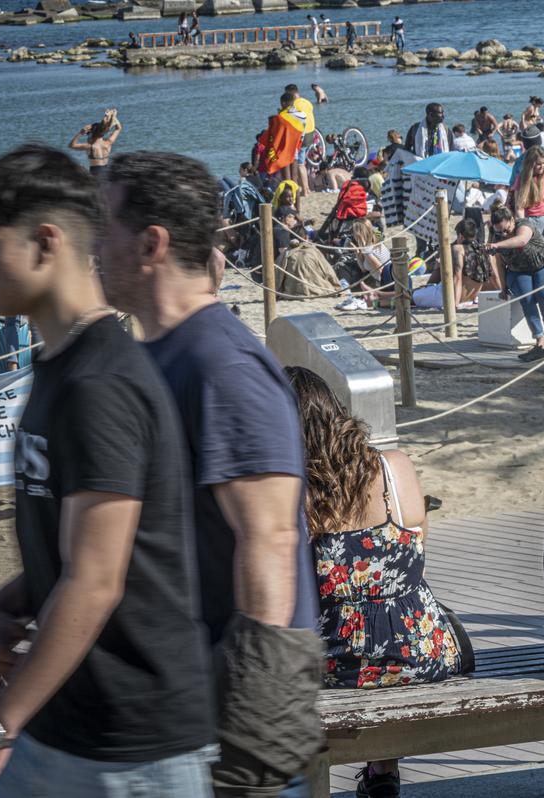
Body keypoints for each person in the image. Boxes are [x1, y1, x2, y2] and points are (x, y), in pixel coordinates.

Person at [0, 145, 215, 796]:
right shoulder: (59, 368)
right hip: (68, 724)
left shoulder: (98, 384)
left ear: (44, 243)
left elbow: (95, 579)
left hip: (133, 747)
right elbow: (72, 549)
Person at [98, 152, 325, 797]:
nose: (93, 245)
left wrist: (253, 736)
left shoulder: (219, 362)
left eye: (103, 227)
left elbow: (271, 539)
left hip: (221, 730)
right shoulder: (156, 355)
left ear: (151, 244)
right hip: (169, 709)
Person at [286, 366, 470, 798]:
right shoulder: (393, 468)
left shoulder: (291, 490)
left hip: (336, 660)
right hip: (422, 652)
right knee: (393, 629)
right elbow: (415, 551)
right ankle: (382, 771)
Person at [484, 206, 544, 362]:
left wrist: (498, 245)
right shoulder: (495, 235)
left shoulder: (524, 224)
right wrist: (503, 287)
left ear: (512, 220)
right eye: (499, 232)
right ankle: (540, 342)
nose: (503, 234)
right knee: (527, 298)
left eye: (506, 230)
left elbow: (522, 240)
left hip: (543, 264)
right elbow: (498, 262)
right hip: (517, 270)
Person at [67, 107, 121, 176]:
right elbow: (118, 128)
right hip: (107, 173)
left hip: (96, 175)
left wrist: (80, 133)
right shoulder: (108, 143)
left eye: (88, 134)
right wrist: (113, 116)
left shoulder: (89, 146)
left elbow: (71, 145)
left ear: (91, 134)